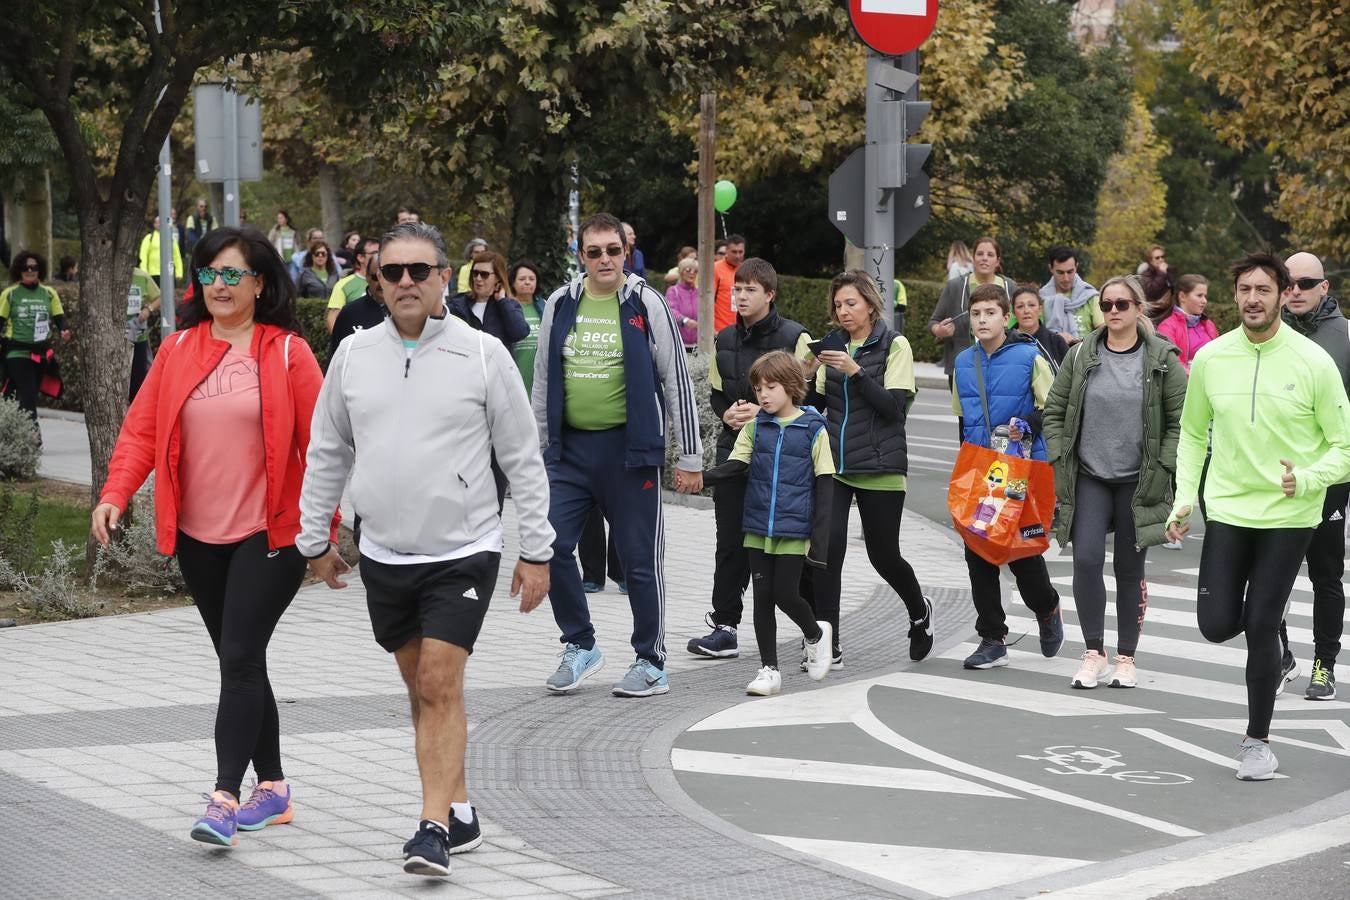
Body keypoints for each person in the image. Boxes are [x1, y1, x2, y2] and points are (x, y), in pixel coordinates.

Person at [297, 221, 554, 876]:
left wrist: (538, 550)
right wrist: (314, 538)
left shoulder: (483, 354)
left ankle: (432, 827)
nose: (406, 282)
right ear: (376, 281)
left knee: (440, 677)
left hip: (464, 548)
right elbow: (328, 450)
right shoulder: (353, 356)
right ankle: (461, 805)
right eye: (393, 272)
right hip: (384, 551)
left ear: (445, 276)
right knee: (425, 690)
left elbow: (522, 457)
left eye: (420, 270)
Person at [92, 226, 331, 847]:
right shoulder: (177, 350)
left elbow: (326, 447)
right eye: (208, 274)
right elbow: (142, 431)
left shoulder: (286, 353)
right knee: (240, 660)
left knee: (240, 658)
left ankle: (225, 797)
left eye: (233, 274)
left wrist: (324, 531)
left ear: (259, 282)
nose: (219, 285)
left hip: (271, 532)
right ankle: (274, 789)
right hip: (198, 535)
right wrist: (115, 493)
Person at [1166, 252, 1350, 780]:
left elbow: (1342, 444)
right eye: (1244, 289)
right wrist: (1185, 499)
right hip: (1227, 506)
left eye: (1263, 290)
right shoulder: (1212, 359)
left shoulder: (1313, 362)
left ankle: (1257, 743)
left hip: (1291, 513)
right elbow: (1194, 434)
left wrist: (1309, 479)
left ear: (1281, 295)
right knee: (1217, 623)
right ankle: (1270, 645)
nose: (1253, 299)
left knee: (1262, 621)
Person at [533, 212, 703, 698]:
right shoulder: (562, 304)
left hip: (630, 453)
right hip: (569, 453)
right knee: (551, 547)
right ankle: (580, 644)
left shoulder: (646, 302)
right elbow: (544, 380)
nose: (605, 259)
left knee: (638, 560)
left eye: (613, 250)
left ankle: (650, 661)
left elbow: (676, 380)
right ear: (580, 255)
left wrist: (689, 457)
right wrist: (535, 451)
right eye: (594, 251)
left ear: (625, 252)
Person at [1044, 276, 1187, 689]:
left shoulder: (1161, 358)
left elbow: (1182, 421)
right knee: (1086, 559)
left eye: (1122, 304)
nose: (1113, 312)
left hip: (1138, 480)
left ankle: (1126, 657)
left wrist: (1164, 465)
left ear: (1138, 309)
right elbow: (1054, 410)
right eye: (1106, 305)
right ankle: (1093, 652)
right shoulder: (1081, 355)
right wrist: (1059, 454)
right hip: (1089, 475)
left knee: (1129, 567)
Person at [805, 269, 933, 669]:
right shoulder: (834, 347)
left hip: (881, 464)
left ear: (870, 304)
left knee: (884, 554)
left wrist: (855, 371)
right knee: (826, 552)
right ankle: (829, 644)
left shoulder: (895, 345)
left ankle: (919, 611)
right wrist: (808, 376)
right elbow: (817, 405)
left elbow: (894, 410)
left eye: (851, 304)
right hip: (837, 465)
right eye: (838, 305)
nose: (843, 312)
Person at [687, 258, 811, 660]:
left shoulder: (796, 337)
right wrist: (726, 413)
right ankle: (725, 626)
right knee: (729, 540)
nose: (740, 296)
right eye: (737, 289)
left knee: (785, 547)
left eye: (750, 290)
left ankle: (819, 627)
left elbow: (813, 398)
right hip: (734, 446)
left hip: (782, 455)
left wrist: (766, 411)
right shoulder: (725, 338)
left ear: (770, 294)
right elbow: (717, 393)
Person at [701, 351, 835, 695]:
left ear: (791, 387)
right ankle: (769, 669)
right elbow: (734, 466)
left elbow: (825, 485)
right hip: (758, 526)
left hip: (794, 528)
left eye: (771, 387)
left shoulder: (813, 429)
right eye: (759, 388)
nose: (762, 395)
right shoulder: (755, 427)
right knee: (762, 596)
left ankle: (816, 634)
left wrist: (819, 543)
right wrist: (701, 479)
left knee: (785, 594)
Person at [952, 283, 1065, 670]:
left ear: (1006, 317)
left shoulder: (1029, 356)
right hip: (979, 468)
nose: (982, 320)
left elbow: (1054, 409)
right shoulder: (963, 362)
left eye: (990, 313)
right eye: (976, 313)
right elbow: (963, 416)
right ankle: (992, 637)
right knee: (977, 550)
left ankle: (1046, 606)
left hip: (1016, 467)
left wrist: (1026, 424)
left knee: (1017, 549)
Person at [1276, 252, 1348, 701]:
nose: (1296, 290)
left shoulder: (1345, 336)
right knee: (1269, 575)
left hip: (1328, 479)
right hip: (1275, 476)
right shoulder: (1268, 333)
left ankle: (1325, 665)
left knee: (1325, 575)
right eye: (1289, 283)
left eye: (1306, 283)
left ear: (1325, 287)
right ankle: (1281, 653)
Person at [929, 236, 1017, 437]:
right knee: (968, 424)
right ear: (973, 258)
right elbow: (933, 322)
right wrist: (940, 331)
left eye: (990, 254)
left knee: (1001, 422)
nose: (984, 258)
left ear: (998, 260)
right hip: (963, 364)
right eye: (980, 254)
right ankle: (970, 465)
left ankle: (998, 467)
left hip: (1003, 364)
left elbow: (1021, 322)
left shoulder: (1010, 287)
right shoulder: (956, 286)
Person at [0, 251, 71, 423]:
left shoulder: (48, 293)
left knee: (25, 395)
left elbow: (59, 318)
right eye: (25, 268)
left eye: (34, 267)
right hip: (17, 352)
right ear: (19, 270)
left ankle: (14, 431)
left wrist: (64, 330)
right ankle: (33, 436)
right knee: (28, 394)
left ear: (40, 270)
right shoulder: (10, 294)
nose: (30, 270)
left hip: (40, 354)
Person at [447, 250, 529, 352]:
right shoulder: (458, 304)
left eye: (484, 274)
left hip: (496, 366)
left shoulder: (508, 304)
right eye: (475, 273)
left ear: (498, 278)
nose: (478, 278)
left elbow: (519, 333)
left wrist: (502, 301)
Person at [327, 250, 387, 359]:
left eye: (387, 276)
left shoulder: (406, 312)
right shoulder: (349, 313)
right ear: (367, 277)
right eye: (376, 277)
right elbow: (336, 357)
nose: (381, 282)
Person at [1039, 246, 1102, 344]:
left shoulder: (1090, 296)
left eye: (1070, 272)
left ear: (1076, 267)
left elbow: (1103, 330)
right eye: (1060, 272)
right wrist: (1056, 337)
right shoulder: (1040, 299)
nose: (1066, 278)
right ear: (1051, 269)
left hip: (1086, 353)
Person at [1155, 274, 1218, 370]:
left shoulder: (1209, 324)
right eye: (1199, 295)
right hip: (1186, 383)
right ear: (1182, 296)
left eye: (1205, 296)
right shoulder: (1166, 327)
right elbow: (1172, 363)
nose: (1204, 301)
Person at [325, 238, 380, 332]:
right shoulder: (343, 284)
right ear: (360, 257)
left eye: (380, 253)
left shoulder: (389, 281)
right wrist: (344, 342)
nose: (378, 257)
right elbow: (332, 319)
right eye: (374, 253)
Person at [125, 265, 162, 401]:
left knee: (137, 382)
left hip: (137, 337)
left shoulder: (142, 276)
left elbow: (159, 297)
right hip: (115, 338)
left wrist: (148, 309)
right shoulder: (109, 274)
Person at [1011, 285, 1069, 370]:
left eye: (1031, 305)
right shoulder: (1005, 342)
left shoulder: (1056, 341)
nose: (1026, 311)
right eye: (1020, 306)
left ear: (1040, 309)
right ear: (1013, 312)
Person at [509, 260, 544, 393]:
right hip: (515, 373)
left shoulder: (544, 306)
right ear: (513, 282)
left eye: (532, 279)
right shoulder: (508, 308)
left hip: (538, 378)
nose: (528, 282)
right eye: (522, 279)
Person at [138, 216, 184, 288]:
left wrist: (179, 272)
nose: (160, 224)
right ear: (154, 224)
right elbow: (143, 256)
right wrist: (144, 271)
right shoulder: (149, 238)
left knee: (170, 297)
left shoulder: (171, 239)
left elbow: (177, 256)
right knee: (156, 298)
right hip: (153, 274)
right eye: (158, 222)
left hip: (169, 274)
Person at [713, 234, 746, 333]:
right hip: (720, 329)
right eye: (734, 252)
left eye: (740, 252)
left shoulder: (746, 269)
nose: (737, 256)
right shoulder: (715, 268)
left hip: (742, 328)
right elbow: (707, 300)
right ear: (726, 251)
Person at [665, 257, 699, 351]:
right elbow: (670, 311)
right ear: (680, 272)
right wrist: (685, 321)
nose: (692, 273)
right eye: (688, 270)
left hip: (698, 345)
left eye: (695, 271)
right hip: (679, 344)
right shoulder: (673, 291)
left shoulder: (699, 293)